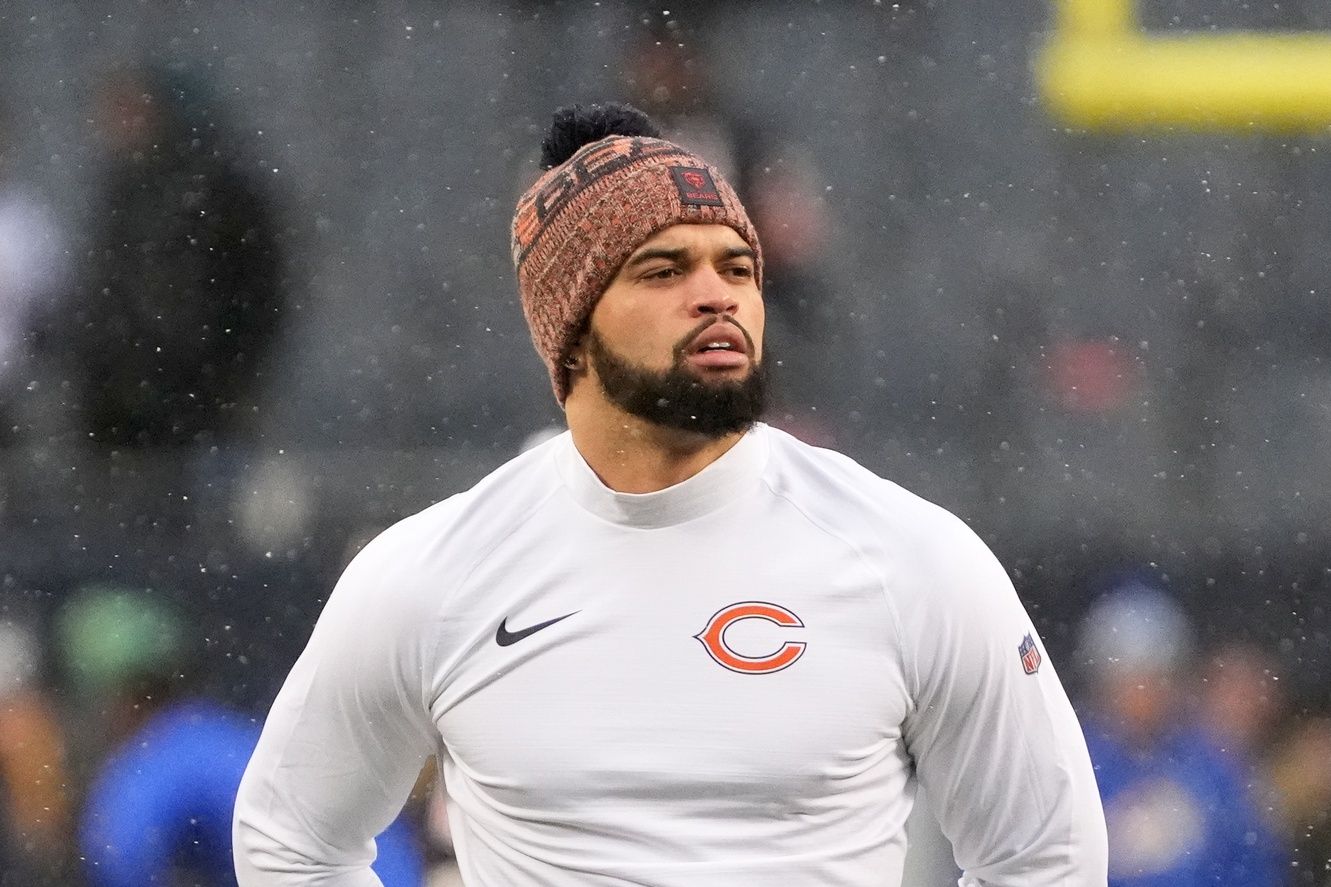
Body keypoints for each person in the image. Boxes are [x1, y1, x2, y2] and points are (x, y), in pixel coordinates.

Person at [234, 103, 1107, 886]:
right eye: (663, 270)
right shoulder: (432, 575)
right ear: (570, 328)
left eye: (737, 266)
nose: (716, 295)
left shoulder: (912, 558)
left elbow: (1046, 855)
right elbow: (288, 839)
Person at [55, 585, 423, 887]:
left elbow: (120, 856)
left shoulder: (154, 761)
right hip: (393, 867)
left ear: (118, 697)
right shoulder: (219, 733)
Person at [1075, 581, 1284, 886]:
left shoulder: (1214, 766)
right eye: (1128, 677)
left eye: (1153, 675)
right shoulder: (1076, 763)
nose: (1141, 692)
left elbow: (1251, 866)